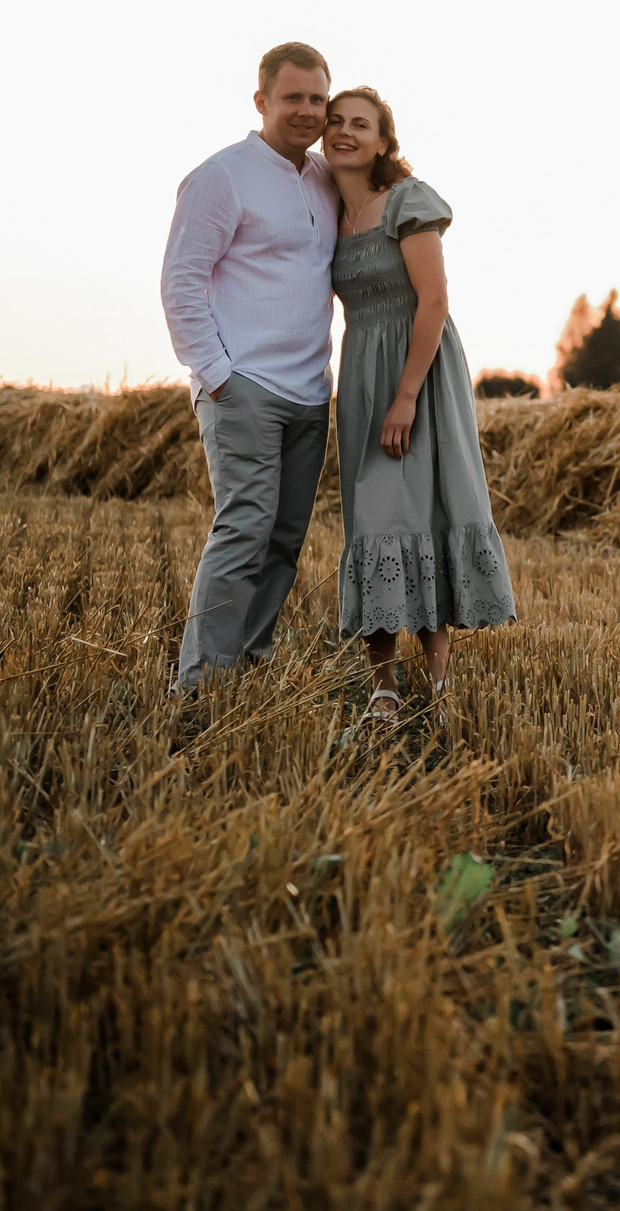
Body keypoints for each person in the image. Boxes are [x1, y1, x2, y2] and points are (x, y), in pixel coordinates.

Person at [320, 86, 517, 718]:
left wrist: (406, 396)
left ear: (383, 141)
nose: (345, 131)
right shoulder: (326, 210)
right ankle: (383, 685)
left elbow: (433, 301)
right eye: (335, 121)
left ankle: (437, 684)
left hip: (420, 372)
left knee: (428, 512)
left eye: (361, 124)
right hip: (362, 374)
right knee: (374, 519)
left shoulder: (408, 200)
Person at [159, 42, 339, 693]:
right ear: (261, 101)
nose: (307, 110)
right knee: (243, 529)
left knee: (284, 539)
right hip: (245, 388)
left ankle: (247, 668)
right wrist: (216, 374)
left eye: (318, 98)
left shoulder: (326, 179)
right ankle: (200, 685)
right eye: (293, 98)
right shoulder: (223, 176)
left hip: (311, 392)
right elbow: (181, 279)